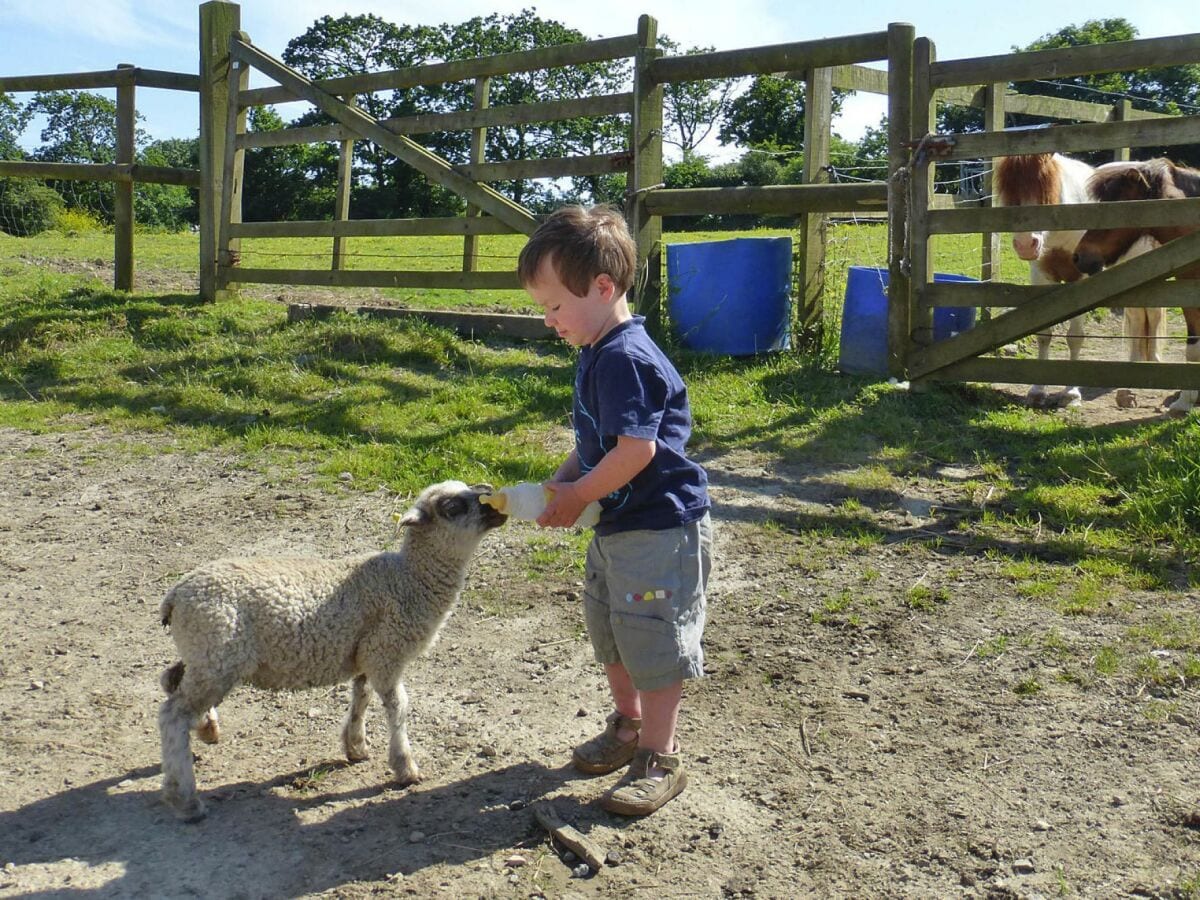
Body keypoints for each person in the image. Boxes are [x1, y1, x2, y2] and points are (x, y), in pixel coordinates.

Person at [516, 205, 712, 816]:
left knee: (652, 642)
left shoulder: (626, 358)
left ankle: (659, 754)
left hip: (657, 530)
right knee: (614, 635)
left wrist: (577, 497)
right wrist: (565, 478)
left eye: (553, 307)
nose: (549, 321)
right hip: (618, 528)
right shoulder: (596, 349)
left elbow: (635, 450)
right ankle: (626, 727)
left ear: (604, 288)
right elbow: (597, 441)